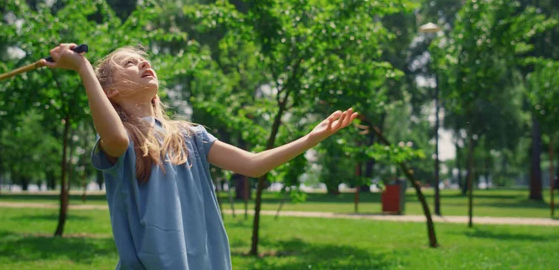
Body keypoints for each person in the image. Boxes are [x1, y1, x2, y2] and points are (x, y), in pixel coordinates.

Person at [42, 43, 358, 270]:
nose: (142, 64)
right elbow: (112, 134)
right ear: (110, 90)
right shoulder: (122, 140)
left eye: (143, 60)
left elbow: (254, 165)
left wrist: (311, 138)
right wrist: (84, 68)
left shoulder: (190, 135)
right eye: (128, 63)